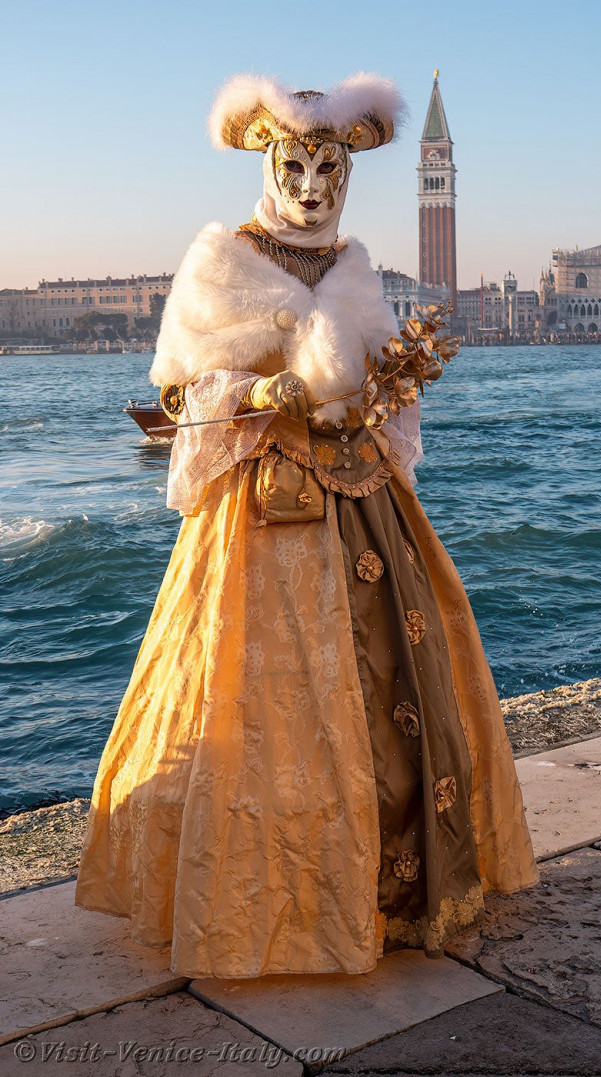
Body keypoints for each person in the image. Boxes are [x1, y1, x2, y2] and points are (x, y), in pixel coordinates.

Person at [74, 72, 539, 978]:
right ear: (271, 164)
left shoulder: (356, 266)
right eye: (299, 167)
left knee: (399, 681)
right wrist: (262, 390)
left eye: (330, 170)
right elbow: (181, 391)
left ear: (346, 173)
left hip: (367, 501)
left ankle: (393, 891)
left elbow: (375, 392)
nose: (315, 188)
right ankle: (276, 904)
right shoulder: (222, 263)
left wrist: (378, 388)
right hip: (262, 510)